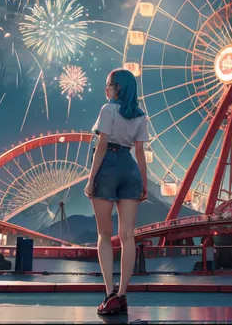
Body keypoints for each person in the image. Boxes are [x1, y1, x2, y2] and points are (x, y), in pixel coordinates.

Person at [85, 68, 149, 316]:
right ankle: (122, 295)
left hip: (107, 167)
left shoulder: (107, 110)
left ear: (118, 87)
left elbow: (101, 146)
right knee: (128, 236)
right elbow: (140, 153)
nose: (106, 89)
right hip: (130, 169)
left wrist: (91, 180)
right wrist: (144, 183)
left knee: (104, 233)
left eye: (109, 84)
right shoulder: (141, 116)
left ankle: (109, 292)